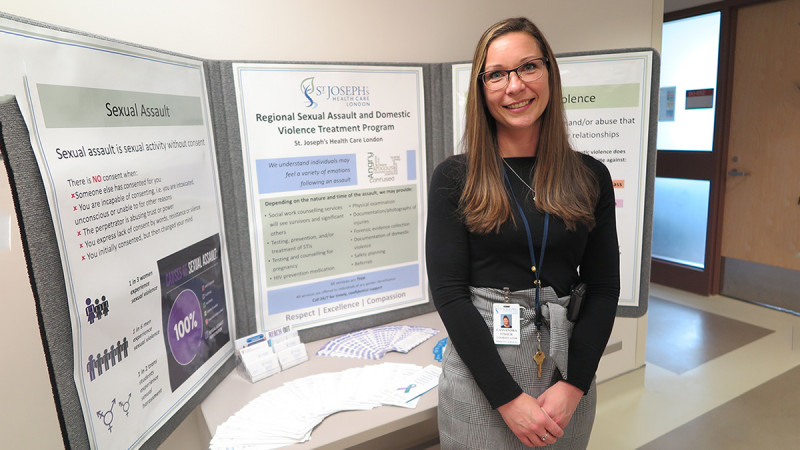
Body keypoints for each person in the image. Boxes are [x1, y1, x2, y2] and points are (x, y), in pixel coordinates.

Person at [426, 17, 620, 449]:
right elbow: (449, 294)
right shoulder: (455, 178)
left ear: (549, 72)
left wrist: (574, 385)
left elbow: (605, 287)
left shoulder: (589, 175)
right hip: (481, 380)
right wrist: (508, 399)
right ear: (481, 88)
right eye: (496, 74)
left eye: (528, 67)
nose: (514, 86)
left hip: (566, 379)